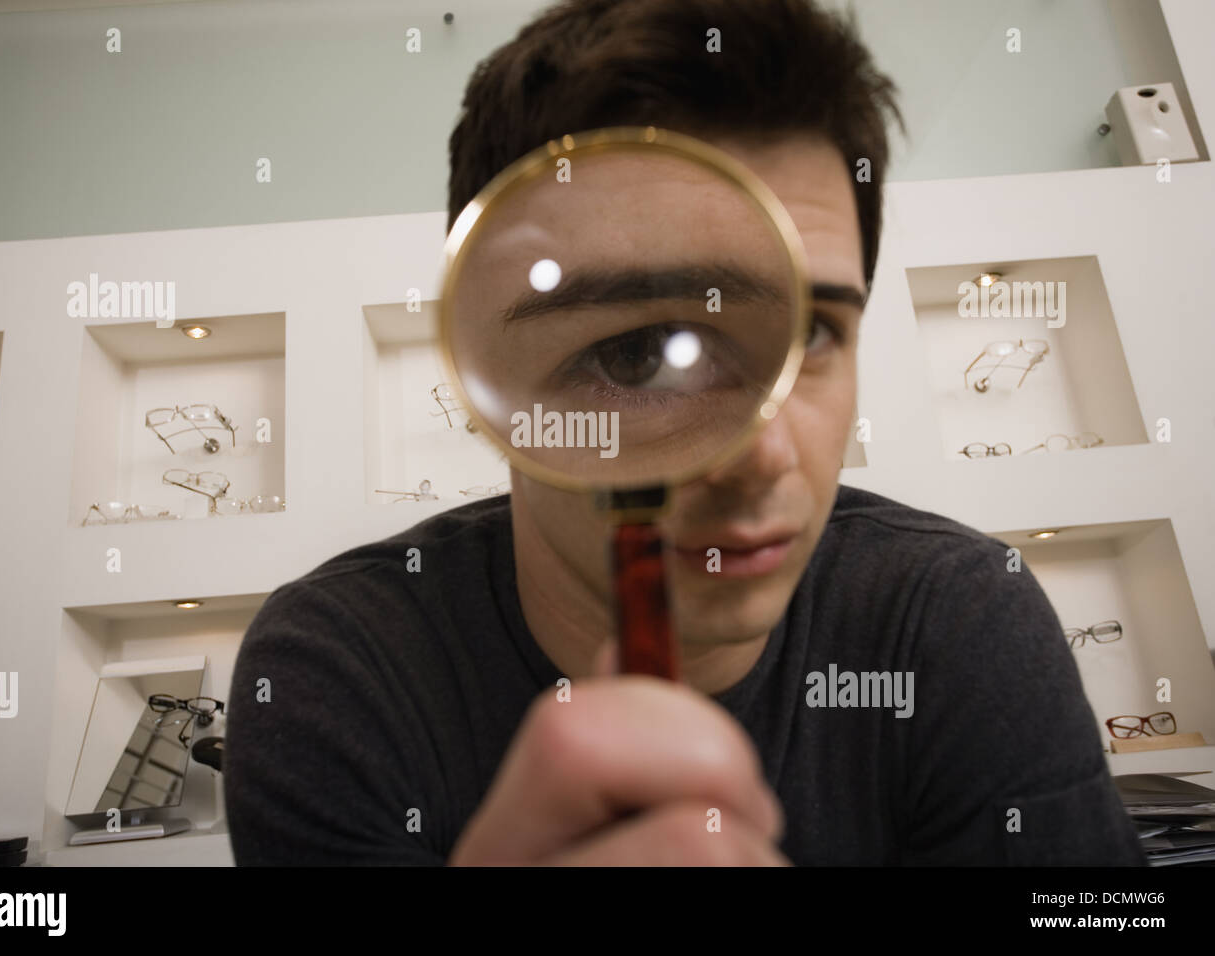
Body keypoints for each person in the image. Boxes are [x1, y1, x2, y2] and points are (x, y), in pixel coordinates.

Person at [224, 0, 1145, 866]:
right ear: (490, 380)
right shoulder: (335, 670)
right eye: (636, 358)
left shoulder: (960, 617)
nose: (768, 456)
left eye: (816, 332)